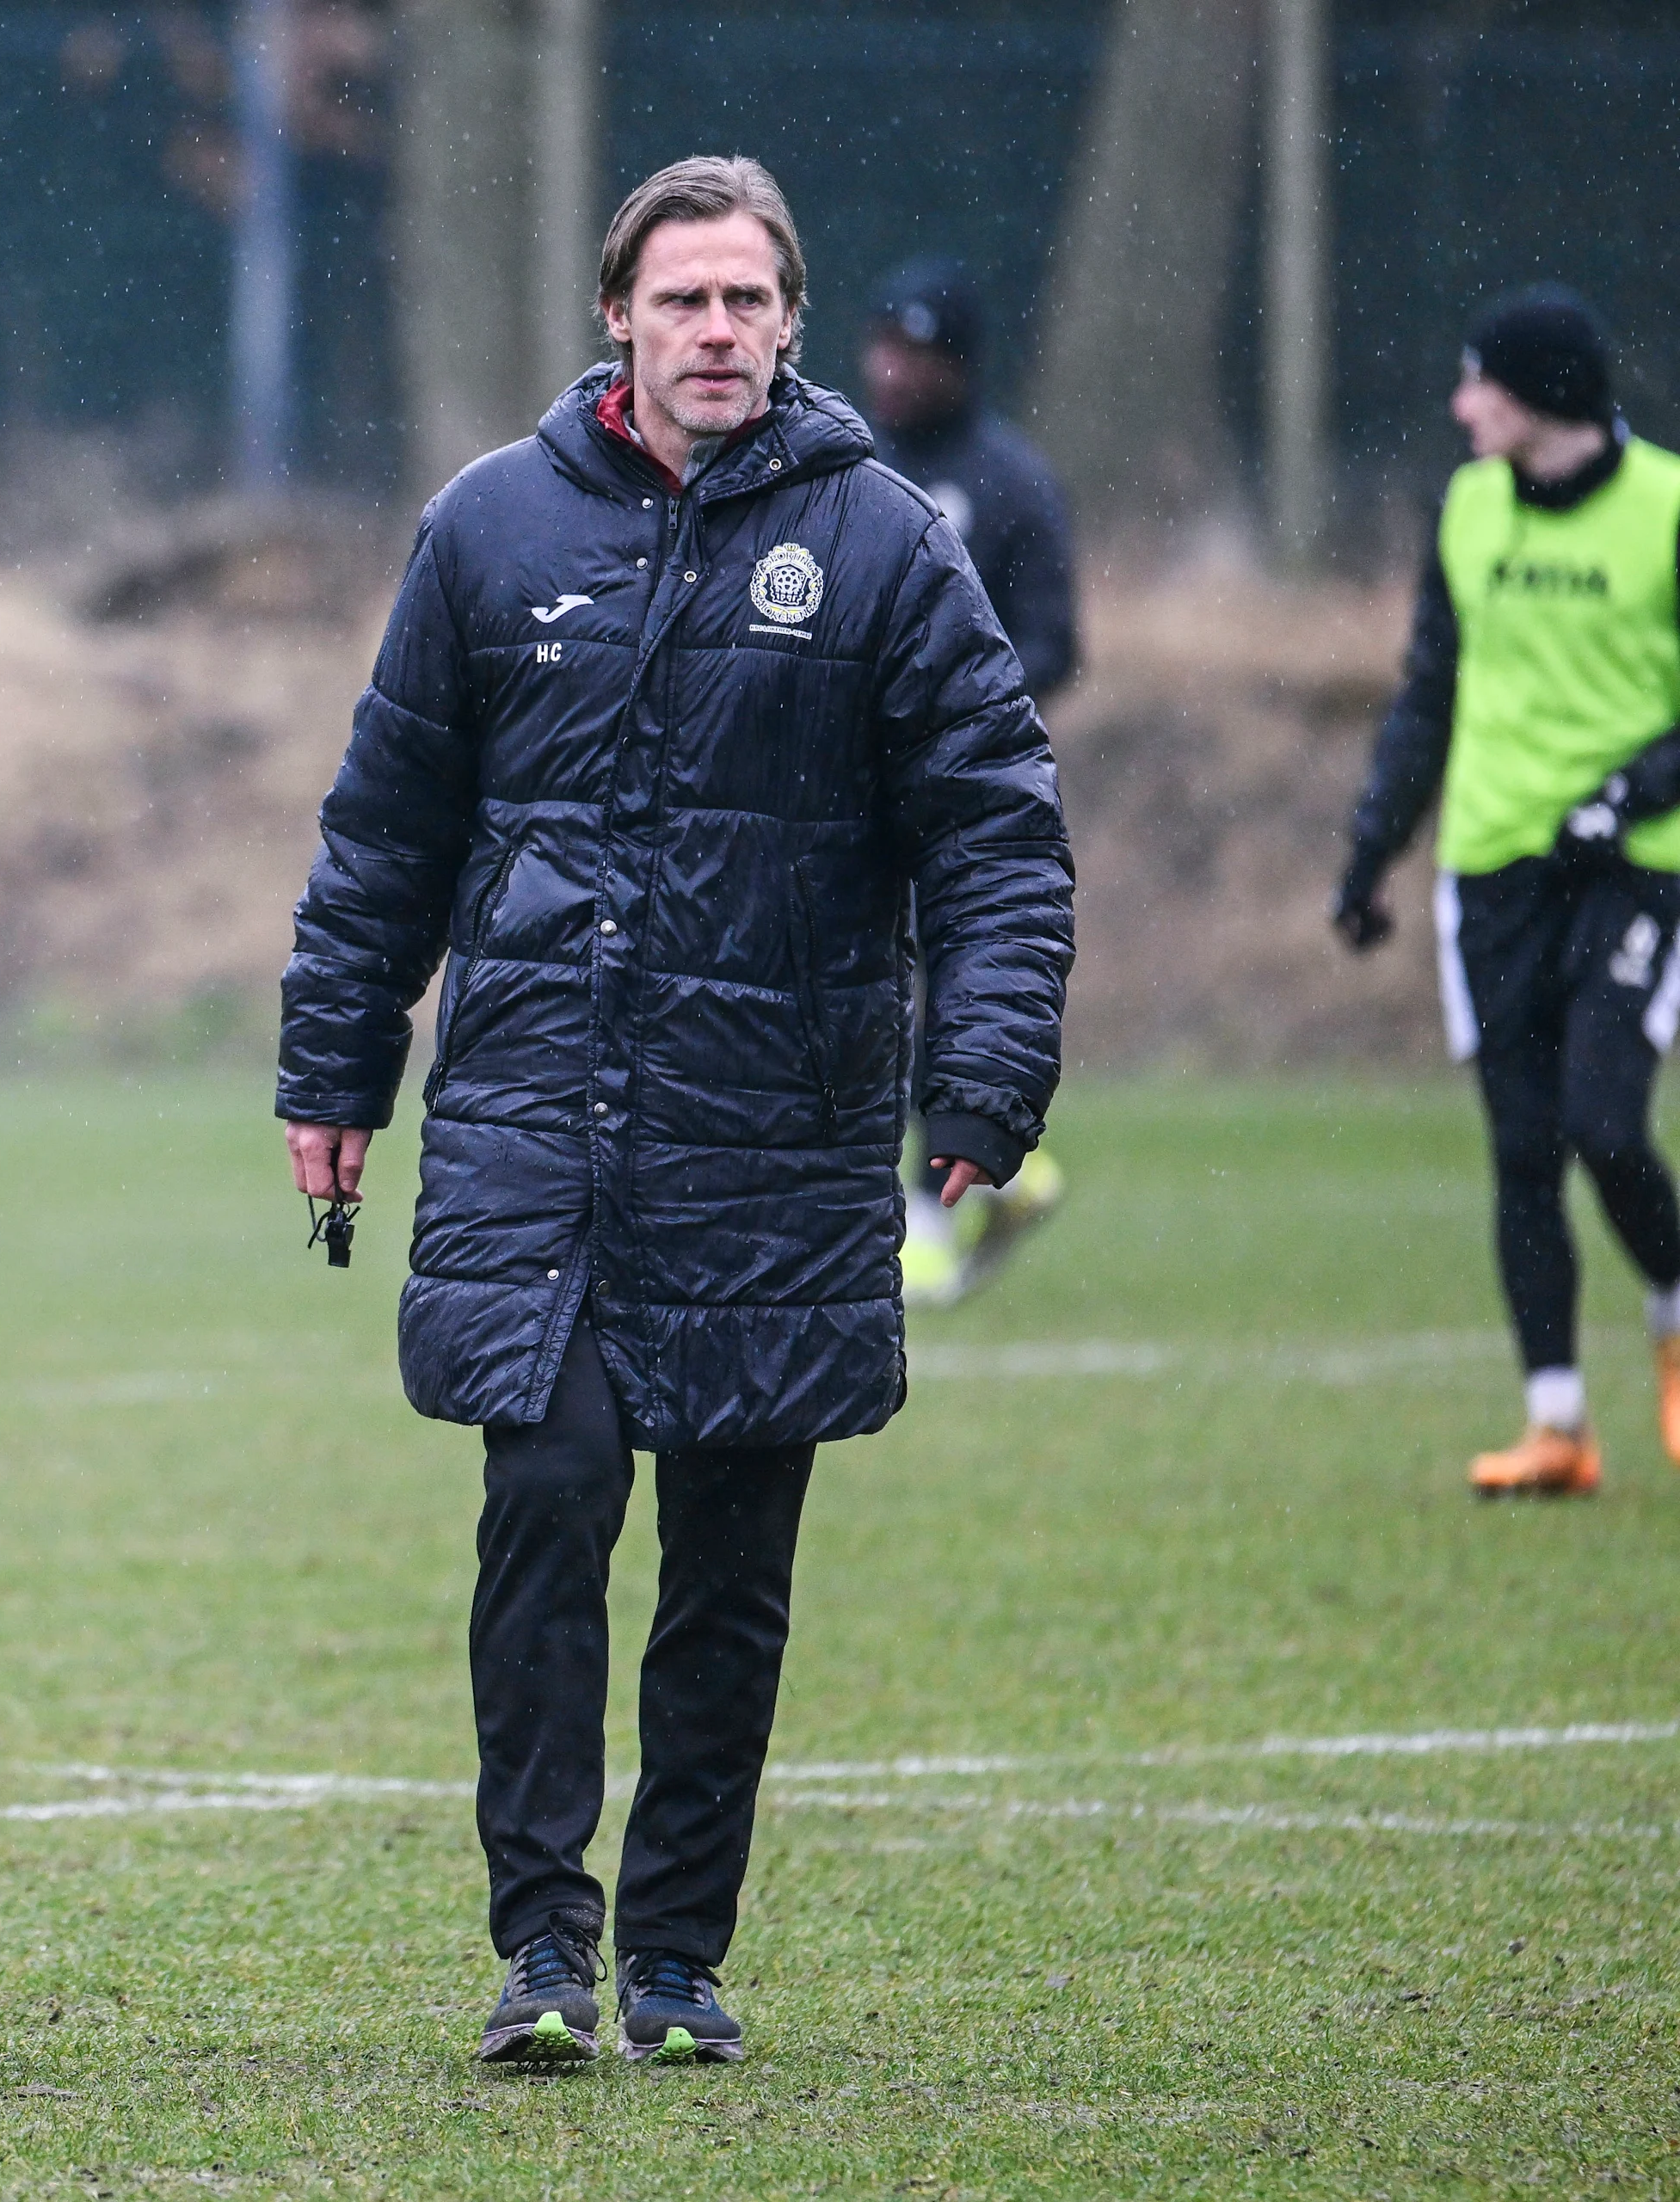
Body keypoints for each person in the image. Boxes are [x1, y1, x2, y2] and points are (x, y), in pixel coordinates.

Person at [279, 157, 1070, 2066]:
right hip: (536, 1122)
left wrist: (985, 1071)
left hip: (779, 1138)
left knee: (731, 1557)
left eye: (747, 302)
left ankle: (677, 1957)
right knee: (543, 1499)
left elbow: (997, 830)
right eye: (681, 300)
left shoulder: (885, 543)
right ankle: (544, 1944)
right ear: (616, 318)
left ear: (792, 322)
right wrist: (335, 1065)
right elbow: (383, 828)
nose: (715, 332)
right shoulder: (483, 527)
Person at [1335, 285, 1680, 1500]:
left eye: (1478, 380)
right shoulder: (1470, 509)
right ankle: (1556, 1426)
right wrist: (1375, 846)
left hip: (1639, 869)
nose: (1459, 402)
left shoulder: (1669, 508)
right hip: (1492, 865)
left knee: (1604, 1121)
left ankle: (1673, 1311)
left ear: (1542, 396)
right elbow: (1429, 689)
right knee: (1524, 1147)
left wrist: (1630, 792)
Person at [859, 255, 1081, 1308]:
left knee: (950, 987)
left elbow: (1055, 640)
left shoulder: (1011, 481)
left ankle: (927, 1210)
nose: (893, 371)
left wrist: (962, 711)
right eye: (884, 346)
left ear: (961, 366)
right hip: (856, 788)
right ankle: (1006, 1171)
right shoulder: (839, 463)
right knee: (874, 985)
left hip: (963, 796)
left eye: (917, 352)